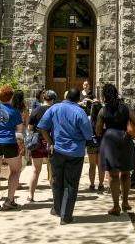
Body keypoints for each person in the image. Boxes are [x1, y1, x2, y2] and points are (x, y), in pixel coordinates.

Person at [38, 88, 93, 225]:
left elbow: (42, 127)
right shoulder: (80, 112)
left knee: (57, 181)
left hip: (57, 151)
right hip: (75, 153)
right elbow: (88, 135)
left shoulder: (55, 108)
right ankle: (66, 216)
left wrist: (50, 142)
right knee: (71, 184)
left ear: (66, 96)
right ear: (78, 99)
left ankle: (57, 209)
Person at [96, 84, 135, 216]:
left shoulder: (103, 111)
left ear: (104, 96)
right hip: (125, 139)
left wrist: (107, 130)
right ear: (116, 93)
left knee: (113, 175)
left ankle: (116, 206)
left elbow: (98, 131)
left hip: (109, 141)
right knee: (125, 173)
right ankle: (125, 202)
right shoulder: (126, 107)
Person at [0, 85, 24, 212]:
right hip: (10, 142)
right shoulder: (15, 112)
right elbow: (19, 132)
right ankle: (9, 200)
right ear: (11, 97)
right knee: (15, 171)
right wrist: (21, 146)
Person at [27, 90, 57, 202]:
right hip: (51, 142)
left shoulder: (35, 110)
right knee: (52, 171)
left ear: (43, 98)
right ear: (53, 99)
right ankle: (55, 195)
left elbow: (29, 128)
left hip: (37, 143)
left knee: (35, 170)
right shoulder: (54, 110)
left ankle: (31, 195)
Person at [87, 100, 105, 192]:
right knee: (101, 166)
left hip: (91, 143)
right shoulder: (103, 118)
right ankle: (101, 185)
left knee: (92, 165)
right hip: (102, 143)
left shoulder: (88, 118)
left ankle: (92, 184)